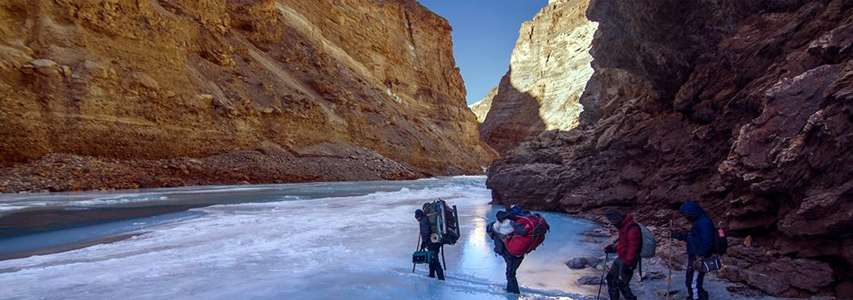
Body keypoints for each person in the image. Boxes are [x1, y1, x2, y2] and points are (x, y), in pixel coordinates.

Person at [673, 201, 716, 300]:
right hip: (695, 255)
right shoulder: (699, 221)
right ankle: (698, 296)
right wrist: (677, 235)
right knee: (693, 280)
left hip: (698, 257)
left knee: (693, 281)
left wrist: (700, 256)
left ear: (692, 213)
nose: (685, 217)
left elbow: (707, 242)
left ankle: (696, 298)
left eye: (686, 214)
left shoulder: (704, 223)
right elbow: (692, 238)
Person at [602, 209, 642, 300]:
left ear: (617, 219)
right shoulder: (623, 226)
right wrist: (613, 248)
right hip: (621, 258)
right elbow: (623, 244)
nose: (613, 224)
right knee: (611, 279)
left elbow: (633, 247)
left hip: (628, 261)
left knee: (622, 284)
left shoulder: (632, 228)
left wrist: (628, 265)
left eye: (613, 222)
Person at [489, 210, 527, 294]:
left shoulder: (496, 227)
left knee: (510, 274)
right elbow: (524, 232)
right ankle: (511, 289)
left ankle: (514, 292)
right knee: (511, 273)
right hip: (519, 252)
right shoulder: (513, 223)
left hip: (509, 253)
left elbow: (495, 239)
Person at [415, 209, 445, 280]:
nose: (417, 219)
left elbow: (426, 233)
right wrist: (424, 242)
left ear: (419, 216)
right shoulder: (425, 219)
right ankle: (431, 274)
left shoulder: (423, 221)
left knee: (435, 260)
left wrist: (424, 242)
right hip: (434, 242)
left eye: (417, 217)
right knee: (431, 259)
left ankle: (441, 277)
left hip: (432, 243)